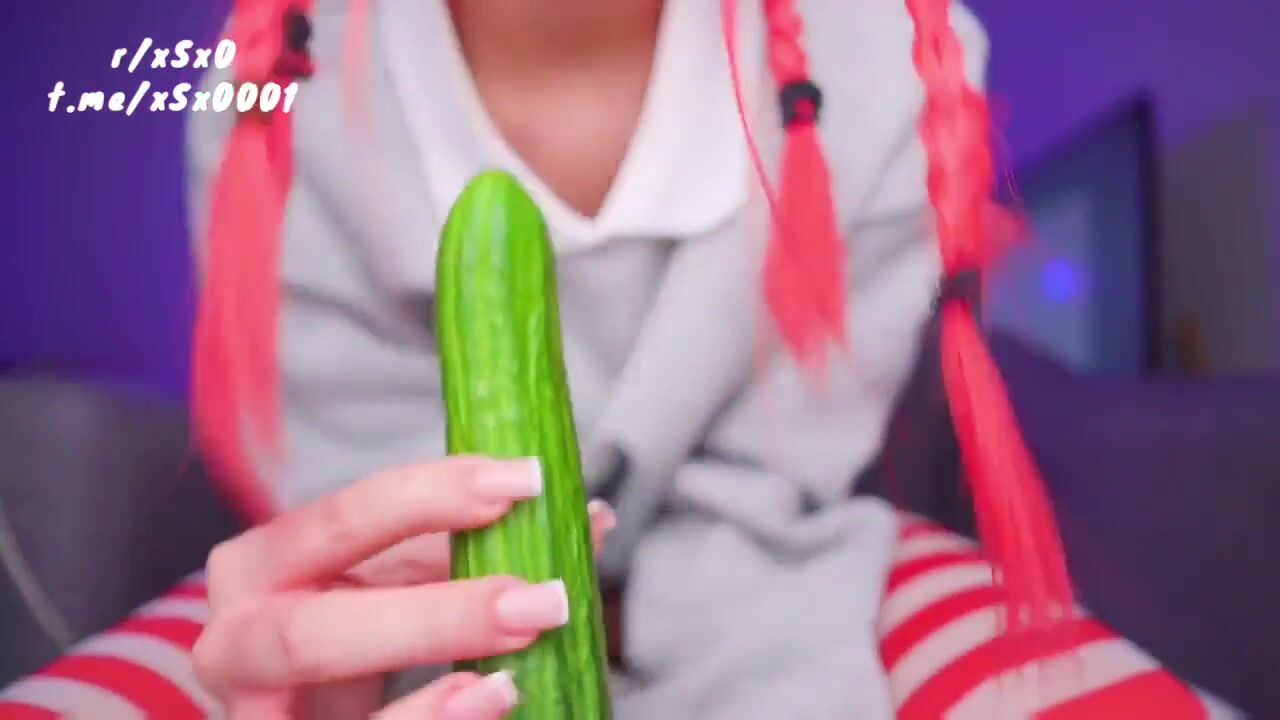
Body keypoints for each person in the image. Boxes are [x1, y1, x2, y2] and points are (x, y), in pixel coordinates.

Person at [186, 0, 1072, 718]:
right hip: (414, 650)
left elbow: (777, 480)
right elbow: (359, 528)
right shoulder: (265, 94)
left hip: (756, 595)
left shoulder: (884, 64)